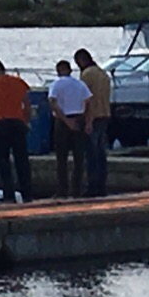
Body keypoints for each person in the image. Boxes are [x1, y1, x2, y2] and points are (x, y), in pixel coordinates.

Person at [0, 60, 33, 203]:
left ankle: (9, 195)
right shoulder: (19, 83)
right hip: (17, 123)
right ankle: (27, 194)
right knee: (22, 161)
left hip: (0, 124)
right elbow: (27, 105)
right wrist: (26, 122)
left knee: (3, 162)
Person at [48, 59, 92, 198]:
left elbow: (53, 103)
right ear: (70, 70)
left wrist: (66, 121)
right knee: (79, 158)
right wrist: (87, 121)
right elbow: (88, 102)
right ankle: (77, 190)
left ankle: (63, 190)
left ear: (58, 71)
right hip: (79, 118)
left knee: (62, 159)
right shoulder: (80, 84)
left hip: (62, 120)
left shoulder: (56, 84)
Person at [74, 48, 111, 197]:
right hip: (105, 114)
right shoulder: (104, 74)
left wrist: (87, 121)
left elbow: (87, 100)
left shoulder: (86, 75)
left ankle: (92, 187)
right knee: (101, 153)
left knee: (91, 154)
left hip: (93, 117)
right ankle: (102, 186)